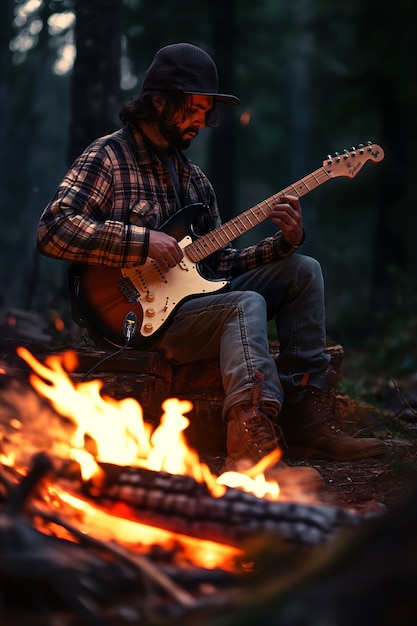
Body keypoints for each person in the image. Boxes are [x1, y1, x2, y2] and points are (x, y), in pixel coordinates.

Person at [37, 43, 386, 488]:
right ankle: (250, 449)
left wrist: (284, 242)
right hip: (132, 319)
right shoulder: (107, 157)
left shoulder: (194, 181)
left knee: (303, 269)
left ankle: (308, 422)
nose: (200, 120)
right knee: (244, 305)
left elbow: (220, 265)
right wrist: (139, 241)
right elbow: (53, 229)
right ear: (159, 100)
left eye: (205, 111)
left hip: (193, 307)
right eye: (192, 109)